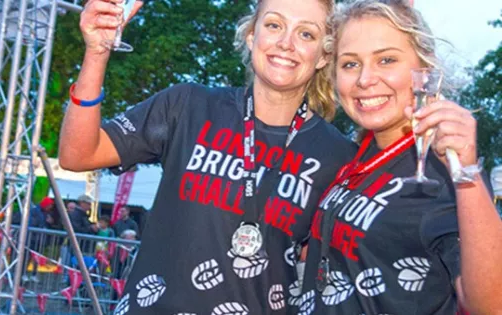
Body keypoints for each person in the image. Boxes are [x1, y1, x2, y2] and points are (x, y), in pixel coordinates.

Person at [59, 0, 358, 313]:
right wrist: (96, 52)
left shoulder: (338, 157)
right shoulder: (187, 106)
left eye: (306, 34)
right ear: (251, 35)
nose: (286, 43)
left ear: (324, 55)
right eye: (274, 25)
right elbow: (77, 154)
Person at [300, 1, 502, 314]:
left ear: (424, 70)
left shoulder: (443, 172)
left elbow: (491, 305)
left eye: (386, 59)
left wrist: (468, 175)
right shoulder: (359, 157)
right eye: (350, 64)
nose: (365, 79)